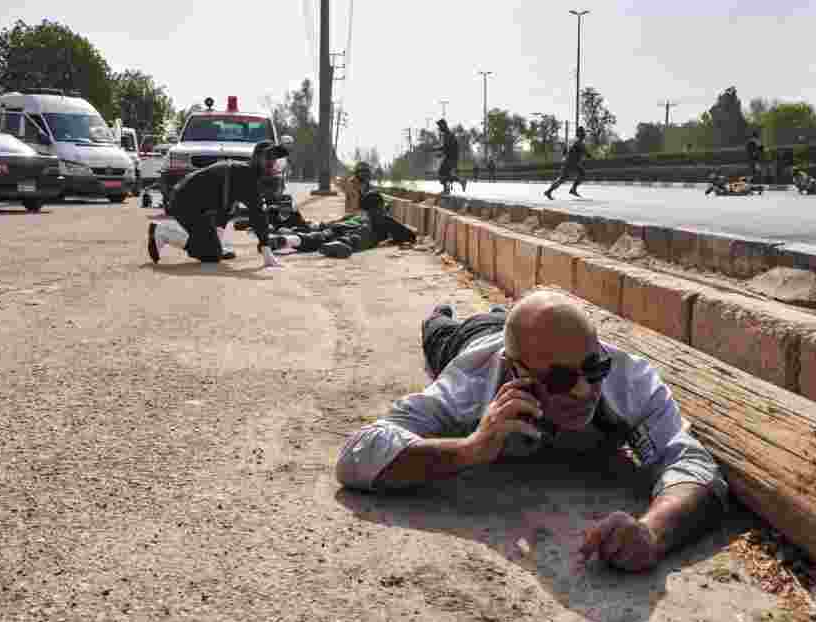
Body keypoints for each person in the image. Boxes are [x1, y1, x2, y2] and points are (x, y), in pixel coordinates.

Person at [336, 288, 728, 573]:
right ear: (514, 372)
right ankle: (443, 314)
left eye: (593, 369)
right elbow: (357, 454)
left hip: (517, 335)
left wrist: (652, 532)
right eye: (559, 379)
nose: (584, 390)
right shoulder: (469, 385)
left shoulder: (628, 378)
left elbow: (690, 462)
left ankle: (501, 313)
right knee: (439, 331)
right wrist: (469, 449)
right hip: (472, 340)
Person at [147, 141, 289, 268]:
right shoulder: (248, 178)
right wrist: (267, 253)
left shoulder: (244, 173)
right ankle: (163, 232)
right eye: (269, 157)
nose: (273, 162)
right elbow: (258, 216)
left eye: (275, 158)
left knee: (215, 248)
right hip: (184, 202)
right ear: (257, 158)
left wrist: (218, 240)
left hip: (194, 203)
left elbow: (226, 208)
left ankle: (209, 243)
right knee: (212, 254)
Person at [268, 189, 416, 259]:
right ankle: (339, 245)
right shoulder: (381, 219)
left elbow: (339, 223)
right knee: (354, 239)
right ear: (378, 207)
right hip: (354, 235)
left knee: (319, 236)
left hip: (336, 228)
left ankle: (288, 240)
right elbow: (409, 235)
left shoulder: (357, 215)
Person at [544, 127, 588, 200]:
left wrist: (567, 156)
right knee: (562, 179)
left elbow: (565, 151)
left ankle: (572, 189)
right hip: (570, 163)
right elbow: (585, 152)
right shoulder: (578, 142)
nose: (584, 134)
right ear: (579, 134)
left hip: (573, 163)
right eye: (582, 132)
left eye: (583, 132)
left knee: (581, 173)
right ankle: (548, 191)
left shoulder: (574, 141)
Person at [433, 119, 467, 195]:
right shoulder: (447, 134)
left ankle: (458, 182)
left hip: (451, 158)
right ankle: (449, 188)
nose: (439, 128)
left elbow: (447, 148)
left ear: (444, 125)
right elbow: (445, 147)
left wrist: (440, 153)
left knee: (441, 174)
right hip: (450, 158)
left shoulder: (448, 135)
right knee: (445, 174)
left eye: (440, 126)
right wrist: (436, 149)